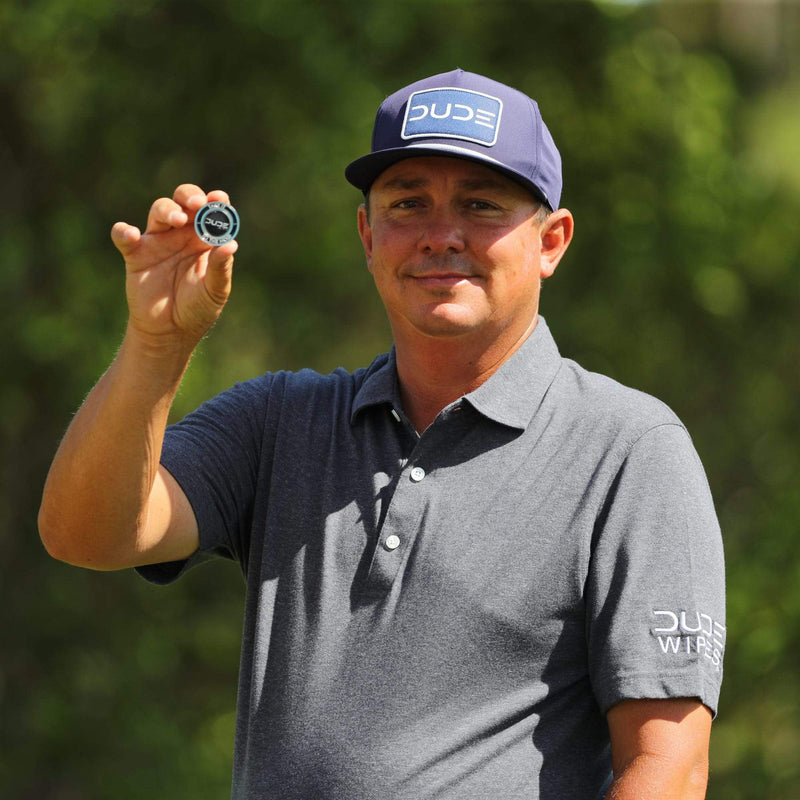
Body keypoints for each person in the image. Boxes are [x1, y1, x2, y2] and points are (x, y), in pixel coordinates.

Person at [39, 69, 725, 799]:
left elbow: (668, 770)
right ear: (369, 235)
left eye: (481, 205)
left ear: (551, 241)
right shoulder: (280, 422)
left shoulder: (629, 449)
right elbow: (87, 533)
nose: (440, 235)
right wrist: (155, 345)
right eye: (408, 204)